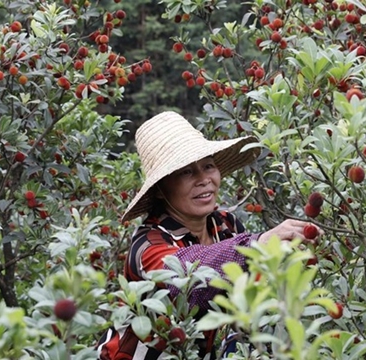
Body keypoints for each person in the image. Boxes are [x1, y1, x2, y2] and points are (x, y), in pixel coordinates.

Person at [97, 111, 321, 360]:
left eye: (208, 166)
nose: (204, 179)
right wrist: (258, 245)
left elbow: (246, 295)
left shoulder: (225, 226)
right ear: (160, 190)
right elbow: (188, 280)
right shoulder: (148, 245)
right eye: (186, 172)